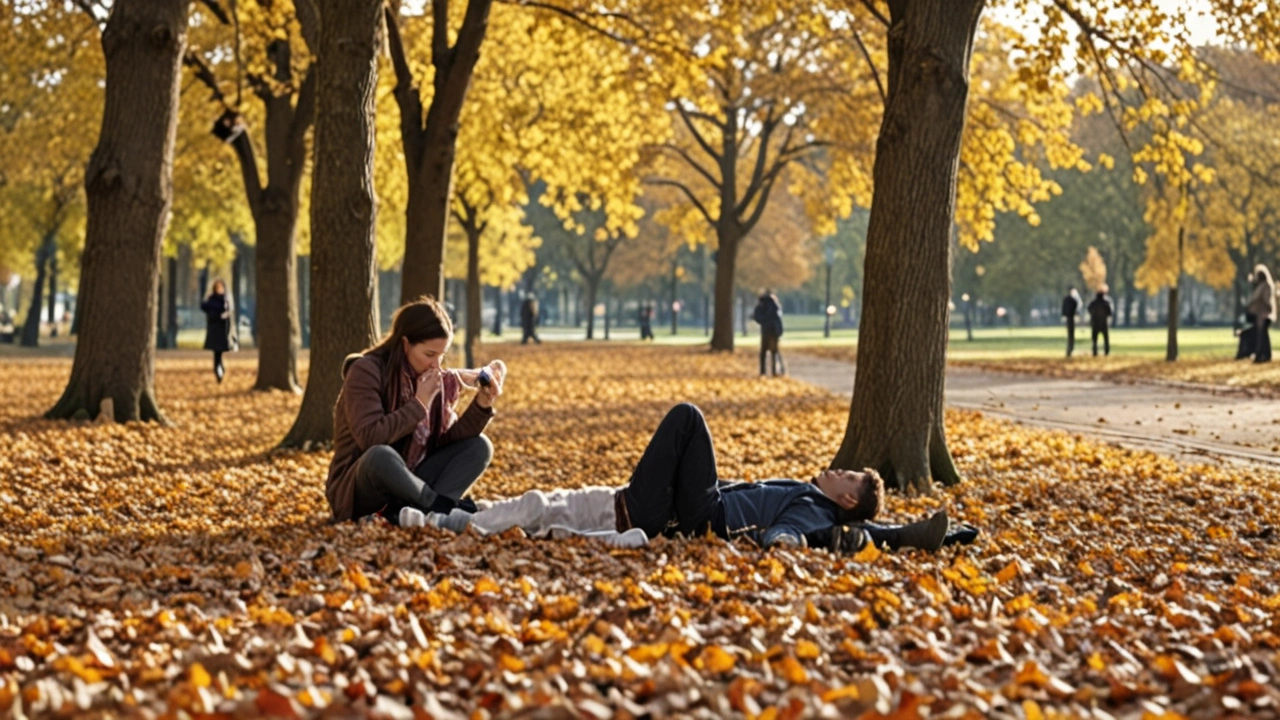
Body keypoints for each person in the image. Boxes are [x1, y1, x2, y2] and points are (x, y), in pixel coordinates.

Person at [410, 403, 979, 553]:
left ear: (849, 497)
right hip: (670, 508)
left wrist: (777, 544)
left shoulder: (819, 511)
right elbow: (881, 534)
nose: (835, 468)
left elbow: (794, 536)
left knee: (688, 418)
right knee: (540, 506)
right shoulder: (816, 495)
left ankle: (450, 517)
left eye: (845, 474)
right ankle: (451, 517)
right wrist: (925, 533)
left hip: (697, 517)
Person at [326, 296, 506, 525]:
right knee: (380, 456)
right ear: (405, 344)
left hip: (413, 481)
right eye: (430, 355)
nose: (436, 366)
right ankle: (440, 507)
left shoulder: (433, 379)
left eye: (442, 356)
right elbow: (370, 438)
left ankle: (425, 514)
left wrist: (482, 404)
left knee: (479, 446)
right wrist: (420, 403)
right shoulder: (366, 371)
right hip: (362, 489)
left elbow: (444, 444)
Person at [200, 279, 237, 383]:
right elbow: (204, 307)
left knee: (219, 354)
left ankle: (220, 371)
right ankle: (218, 372)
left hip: (223, 331)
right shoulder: (211, 300)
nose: (220, 289)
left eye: (221, 287)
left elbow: (229, 314)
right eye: (218, 287)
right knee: (217, 354)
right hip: (214, 331)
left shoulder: (226, 300)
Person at [752, 290, 785, 377]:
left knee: (763, 352)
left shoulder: (762, 305)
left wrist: (762, 320)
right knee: (774, 352)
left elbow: (757, 317)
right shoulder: (775, 305)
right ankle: (775, 371)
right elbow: (778, 319)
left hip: (766, 331)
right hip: (774, 331)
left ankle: (763, 371)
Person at [1246, 264, 1275, 363]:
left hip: (1263, 314)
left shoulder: (1265, 286)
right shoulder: (1260, 286)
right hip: (1259, 314)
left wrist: (1266, 311)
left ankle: (1263, 355)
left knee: (1262, 335)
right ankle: (1261, 354)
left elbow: (1266, 300)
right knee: (1261, 335)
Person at [1087, 285, 1113, 357]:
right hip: (1104, 323)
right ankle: (1106, 352)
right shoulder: (1106, 302)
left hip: (1095, 323)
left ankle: (1095, 352)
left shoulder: (1093, 302)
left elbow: (1089, 309)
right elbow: (1109, 312)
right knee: (1106, 339)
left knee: (1094, 339)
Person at [1061, 286, 1082, 357]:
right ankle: (1070, 349)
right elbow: (1078, 307)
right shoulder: (1074, 300)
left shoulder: (1066, 299)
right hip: (1071, 318)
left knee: (1070, 334)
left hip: (1067, 318)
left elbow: (1063, 309)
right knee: (1071, 335)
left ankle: (1069, 350)